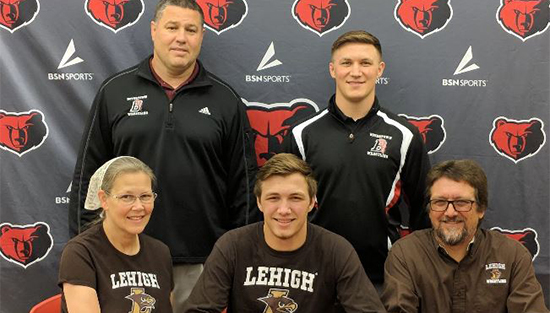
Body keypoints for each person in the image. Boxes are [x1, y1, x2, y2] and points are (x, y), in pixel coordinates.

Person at [68, 0, 257, 309]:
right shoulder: (114, 92)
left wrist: (234, 258)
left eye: (191, 29)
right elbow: (89, 178)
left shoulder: (226, 100)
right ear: (154, 31)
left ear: (201, 37)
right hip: (123, 259)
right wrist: (88, 249)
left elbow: (245, 188)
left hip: (201, 263)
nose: (181, 37)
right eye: (172, 27)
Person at [284, 30, 430, 286]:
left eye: (365, 63)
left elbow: (423, 209)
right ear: (332, 69)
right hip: (314, 276)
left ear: (380, 69)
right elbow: (284, 206)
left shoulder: (404, 136)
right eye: (346, 63)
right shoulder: (302, 134)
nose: (356, 72)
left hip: (382, 278)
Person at [182, 153, 386, 313]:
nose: (284, 210)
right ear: (259, 202)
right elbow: (200, 310)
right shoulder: (232, 246)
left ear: (312, 201)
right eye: (273, 198)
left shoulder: (335, 250)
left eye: (295, 198)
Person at [381, 159, 549, 313]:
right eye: (440, 202)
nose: (450, 212)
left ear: (481, 209)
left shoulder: (512, 256)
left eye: (461, 202)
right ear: (430, 209)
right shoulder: (405, 254)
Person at [59, 156, 173, 313]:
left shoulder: (161, 253)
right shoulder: (80, 253)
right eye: (127, 197)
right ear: (104, 199)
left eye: (145, 196)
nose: (139, 206)